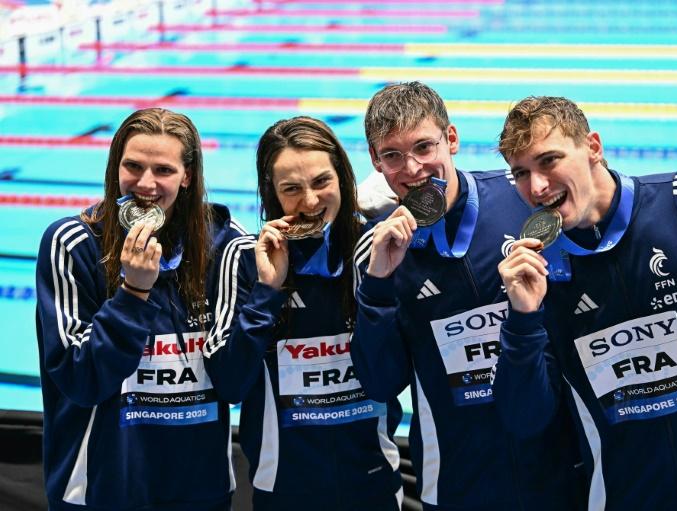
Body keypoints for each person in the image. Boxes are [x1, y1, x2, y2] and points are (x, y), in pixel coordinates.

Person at [494, 95, 677, 510]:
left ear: (593, 148)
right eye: (520, 173)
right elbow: (524, 419)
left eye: (548, 160)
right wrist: (522, 319)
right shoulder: (532, 273)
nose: (536, 187)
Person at [351, 81, 584, 511]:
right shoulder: (376, 248)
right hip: (459, 483)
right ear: (375, 162)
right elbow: (381, 382)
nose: (413, 168)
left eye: (424, 147)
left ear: (451, 139)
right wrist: (380, 283)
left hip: (560, 470)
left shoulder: (525, 202)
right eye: (393, 155)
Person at [35, 108, 245, 510]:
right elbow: (81, 378)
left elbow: (237, 378)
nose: (145, 183)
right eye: (133, 166)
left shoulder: (224, 244)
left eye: (163, 170)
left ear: (187, 176)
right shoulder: (73, 244)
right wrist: (133, 293)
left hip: (200, 490)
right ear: (116, 166)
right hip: (101, 489)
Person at [203, 116, 403, 511]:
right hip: (285, 492)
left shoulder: (374, 251)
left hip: (374, 484)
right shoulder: (243, 258)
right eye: (291, 189)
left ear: (343, 179)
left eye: (321, 182)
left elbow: (389, 380)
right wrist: (266, 292)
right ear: (271, 194)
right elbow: (229, 384)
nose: (310, 201)